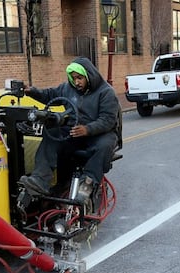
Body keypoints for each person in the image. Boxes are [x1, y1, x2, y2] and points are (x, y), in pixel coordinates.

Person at [19, 57, 120, 203]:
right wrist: (31, 91)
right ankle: (40, 180)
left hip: (98, 134)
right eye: (73, 78)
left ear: (89, 76)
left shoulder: (106, 92)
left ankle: (87, 183)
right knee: (52, 135)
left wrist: (87, 129)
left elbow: (108, 120)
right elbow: (49, 94)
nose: (77, 82)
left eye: (80, 78)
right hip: (75, 132)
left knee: (105, 144)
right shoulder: (68, 88)